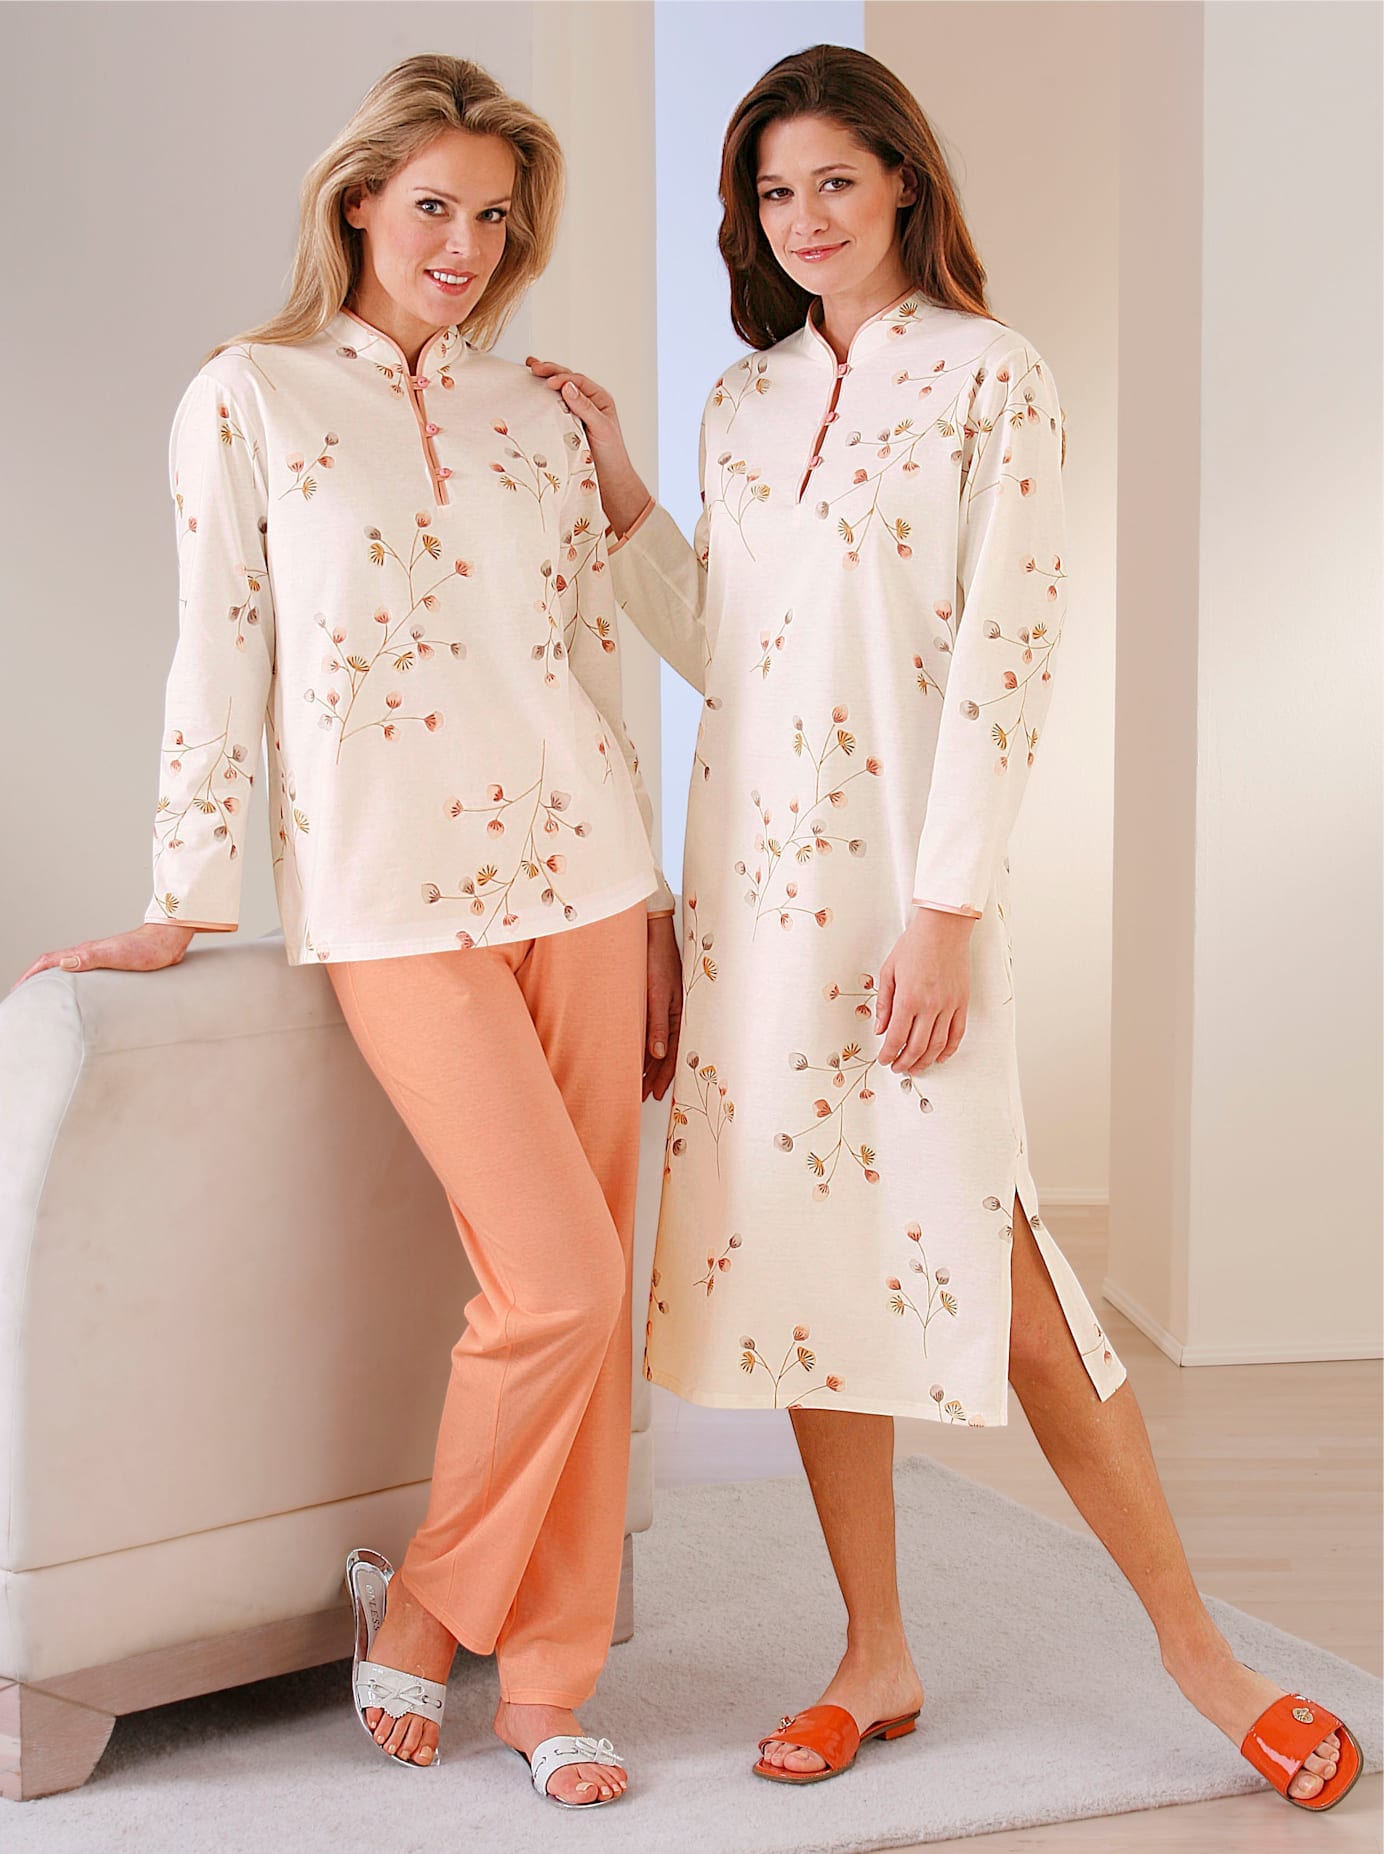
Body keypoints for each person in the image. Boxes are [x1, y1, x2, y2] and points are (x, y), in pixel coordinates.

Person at [527, 42, 1360, 1813]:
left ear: (904, 178)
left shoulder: (996, 377)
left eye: (835, 179)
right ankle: (876, 1653)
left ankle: (1204, 1661)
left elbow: (1006, 657)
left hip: (907, 899)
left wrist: (947, 910)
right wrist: (624, 492)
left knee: (1015, 1286)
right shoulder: (741, 402)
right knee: (815, 1272)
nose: (805, 217)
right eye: (774, 191)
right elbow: (729, 648)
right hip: (756, 905)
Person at [13, 51, 684, 1809]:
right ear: (361, 201)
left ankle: (551, 1677)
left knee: (588, 1294)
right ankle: (438, 1601)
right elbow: (217, 647)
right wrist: (182, 901)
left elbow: (595, 665)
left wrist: (658, 906)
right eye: (435, 205)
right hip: (392, 891)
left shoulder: (542, 411)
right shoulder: (251, 395)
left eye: (496, 216)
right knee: (557, 1279)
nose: (465, 245)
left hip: (588, 874)